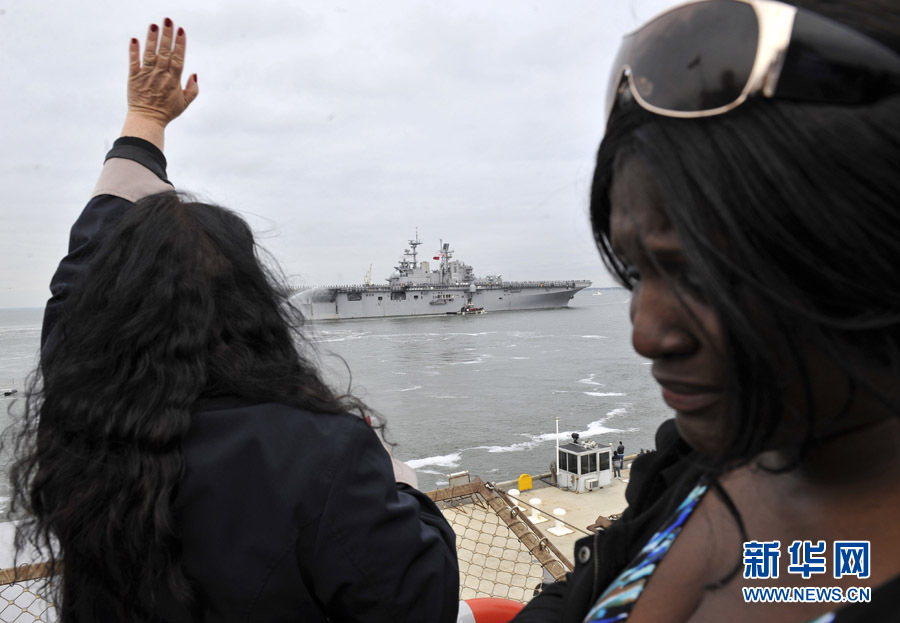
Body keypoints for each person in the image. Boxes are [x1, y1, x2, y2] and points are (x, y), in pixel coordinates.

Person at [9, 19, 458, 622]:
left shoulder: (80, 403)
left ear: (107, 309)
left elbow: (79, 275)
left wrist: (144, 119)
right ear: (253, 303)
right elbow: (422, 601)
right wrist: (390, 474)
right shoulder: (323, 455)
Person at [514, 0, 900, 621]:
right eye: (637, 272)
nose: (645, 334)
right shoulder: (697, 461)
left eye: (704, 272)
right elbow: (798, 575)